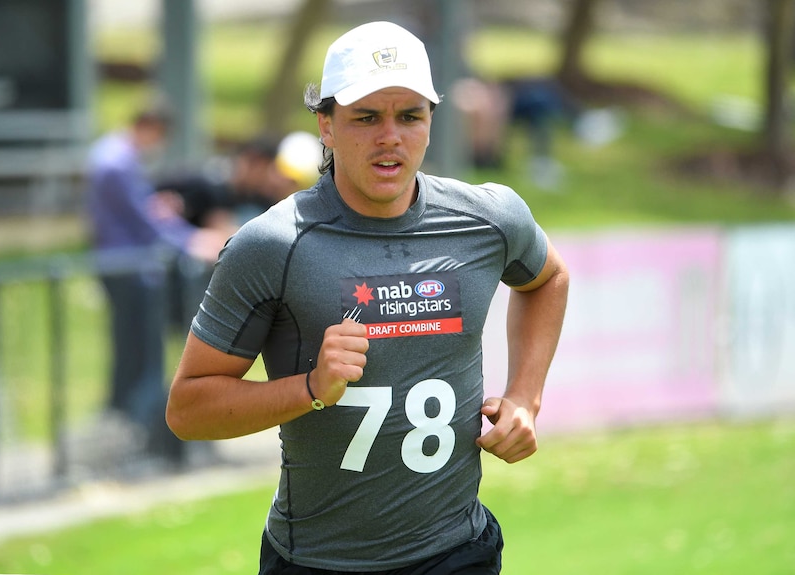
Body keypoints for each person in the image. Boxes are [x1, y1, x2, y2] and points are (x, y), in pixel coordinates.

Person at [166, 21, 569, 574]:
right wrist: (309, 388)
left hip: (458, 553)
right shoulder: (273, 244)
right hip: (317, 562)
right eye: (365, 117)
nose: (390, 137)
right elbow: (188, 409)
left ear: (431, 121)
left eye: (409, 116)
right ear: (325, 125)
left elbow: (547, 278)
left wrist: (525, 396)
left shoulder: (487, 218)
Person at [85, 98, 225, 464]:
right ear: (150, 127)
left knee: (134, 351)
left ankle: (131, 428)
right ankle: (137, 433)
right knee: (141, 354)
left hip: (125, 268)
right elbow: (144, 223)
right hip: (130, 272)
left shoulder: (111, 155)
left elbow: (145, 214)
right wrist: (192, 241)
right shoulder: (116, 162)